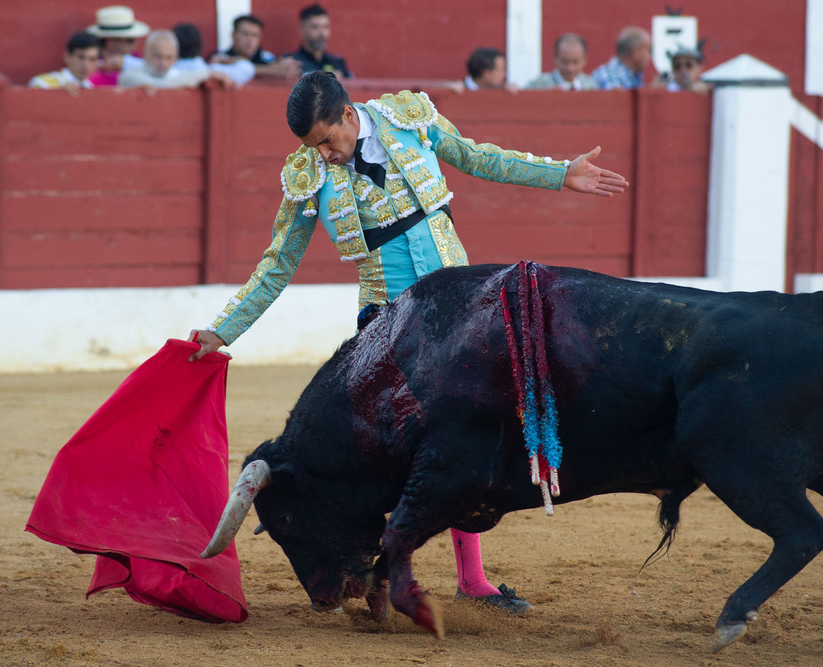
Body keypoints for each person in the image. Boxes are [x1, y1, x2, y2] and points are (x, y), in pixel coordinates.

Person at [188, 71, 627, 613]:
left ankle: (471, 578)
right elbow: (278, 264)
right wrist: (222, 328)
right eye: (312, 146)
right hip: (388, 326)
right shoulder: (304, 175)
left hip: (464, 310)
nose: (323, 154)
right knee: (389, 451)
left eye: (328, 140)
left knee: (470, 434)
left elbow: (477, 157)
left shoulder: (407, 119)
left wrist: (560, 174)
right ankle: (379, 569)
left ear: (349, 116)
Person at [118, 30, 234, 90]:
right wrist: (206, 74)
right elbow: (161, 86)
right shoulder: (129, 76)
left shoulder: (177, 75)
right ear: (146, 54)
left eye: (169, 57)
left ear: (176, 58)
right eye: (158, 56)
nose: (163, 64)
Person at [209, 14, 302, 81]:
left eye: (255, 35)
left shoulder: (266, 57)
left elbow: (283, 69)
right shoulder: (221, 56)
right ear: (234, 35)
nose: (250, 39)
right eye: (245, 34)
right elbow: (213, 65)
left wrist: (238, 63)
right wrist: (268, 70)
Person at [86, 5, 150, 87]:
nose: (135, 44)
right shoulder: (91, 60)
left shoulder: (134, 56)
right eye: (130, 40)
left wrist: (126, 63)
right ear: (110, 41)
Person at [172, 23, 254, 87]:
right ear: (200, 46)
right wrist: (226, 60)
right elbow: (247, 68)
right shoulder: (213, 71)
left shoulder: (171, 71)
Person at [284, 4, 352, 78]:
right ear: (302, 30)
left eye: (325, 27)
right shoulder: (291, 62)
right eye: (315, 27)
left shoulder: (338, 64)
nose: (322, 33)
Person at [28, 31, 102, 94]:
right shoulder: (43, 83)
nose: (86, 64)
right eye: (80, 57)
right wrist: (60, 92)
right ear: (67, 56)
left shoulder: (91, 87)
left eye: (92, 59)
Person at [525, 33, 597, 91]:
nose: (570, 68)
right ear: (555, 59)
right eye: (565, 62)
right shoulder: (540, 85)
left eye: (575, 62)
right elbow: (520, 97)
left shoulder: (591, 87)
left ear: (584, 60)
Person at [591, 25, 653, 90]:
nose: (649, 56)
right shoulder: (609, 75)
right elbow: (616, 99)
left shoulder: (635, 76)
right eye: (648, 51)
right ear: (635, 54)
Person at [448, 46, 518, 94]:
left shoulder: (503, 89)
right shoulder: (459, 88)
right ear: (486, 75)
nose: (504, 74)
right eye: (500, 70)